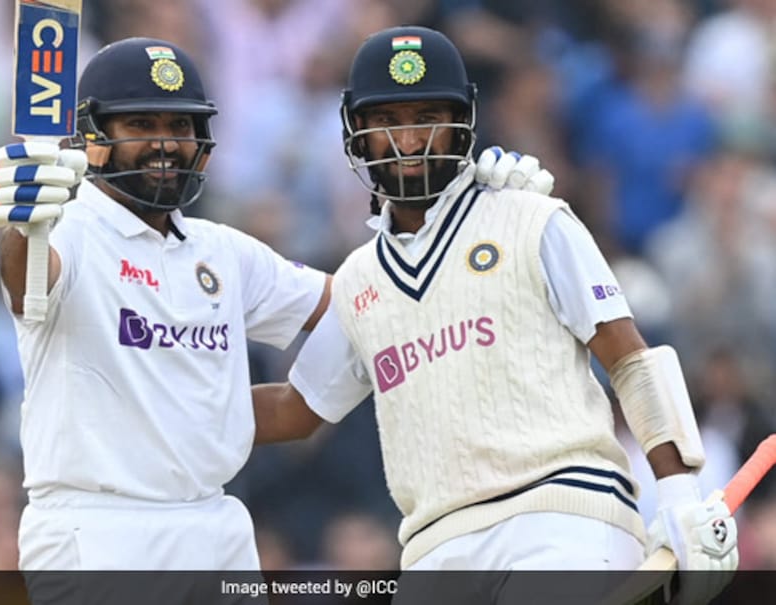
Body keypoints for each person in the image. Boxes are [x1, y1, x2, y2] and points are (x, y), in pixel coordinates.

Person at [0, 34, 549, 579]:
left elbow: (373, 302)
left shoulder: (221, 251)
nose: (165, 143)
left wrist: (484, 221)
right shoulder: (68, 232)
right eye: (141, 124)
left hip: (216, 524)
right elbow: (28, 282)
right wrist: (24, 226)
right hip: (99, 530)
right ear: (94, 139)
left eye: (179, 125)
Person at [251, 25, 739, 603]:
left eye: (428, 118)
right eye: (388, 121)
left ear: (462, 123)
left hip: (563, 513)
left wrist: (680, 494)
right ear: (357, 132)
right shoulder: (360, 278)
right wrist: (166, 397)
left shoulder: (531, 217)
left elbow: (631, 360)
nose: (410, 140)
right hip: (433, 547)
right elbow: (295, 410)